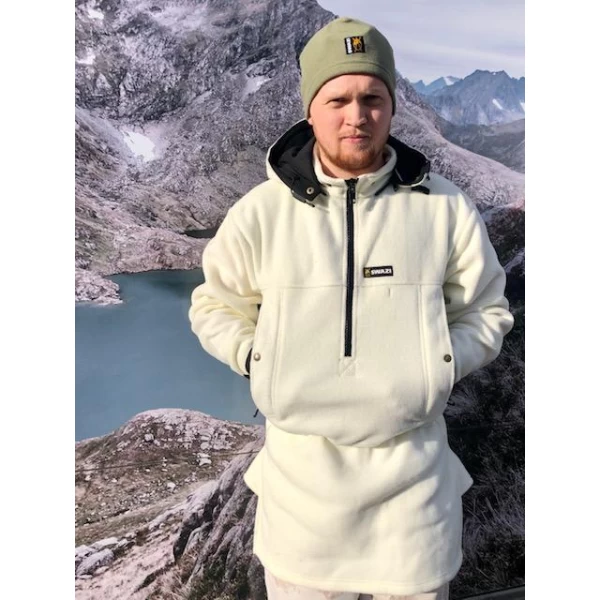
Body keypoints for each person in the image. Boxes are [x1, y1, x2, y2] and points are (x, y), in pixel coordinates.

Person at [189, 16, 514, 600]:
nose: (356, 116)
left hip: (414, 509)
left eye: (373, 98)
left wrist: (435, 362)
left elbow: (488, 310)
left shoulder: (443, 208)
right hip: (299, 512)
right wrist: (258, 357)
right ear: (310, 110)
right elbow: (215, 304)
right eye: (338, 99)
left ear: (392, 107)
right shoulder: (261, 213)